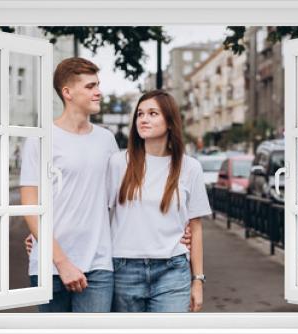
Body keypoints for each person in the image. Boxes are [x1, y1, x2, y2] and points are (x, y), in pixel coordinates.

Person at [21, 58, 191, 312]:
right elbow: (31, 205)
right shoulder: (40, 140)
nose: (98, 92)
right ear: (67, 92)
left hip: (99, 265)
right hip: (49, 265)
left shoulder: (106, 140)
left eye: (98, 85)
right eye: (90, 86)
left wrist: (174, 229)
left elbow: (123, 201)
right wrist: (55, 253)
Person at [107, 90, 212, 312]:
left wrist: (198, 280)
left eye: (153, 113)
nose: (144, 119)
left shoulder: (190, 167)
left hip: (172, 270)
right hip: (124, 269)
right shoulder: (118, 163)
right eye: (140, 114)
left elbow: (196, 228)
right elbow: (98, 216)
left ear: (170, 122)